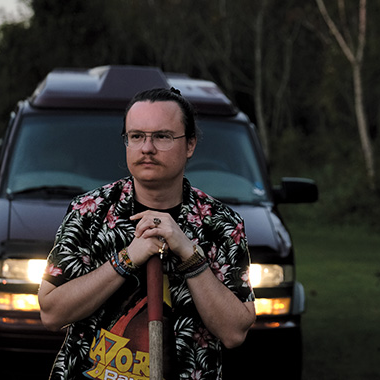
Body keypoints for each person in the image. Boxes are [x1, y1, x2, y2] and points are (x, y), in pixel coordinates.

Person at [38, 87, 256, 380]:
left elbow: (234, 332)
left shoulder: (221, 223)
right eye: (136, 136)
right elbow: (52, 314)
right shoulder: (89, 212)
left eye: (162, 136)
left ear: (190, 144)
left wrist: (189, 254)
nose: (147, 148)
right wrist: (125, 260)